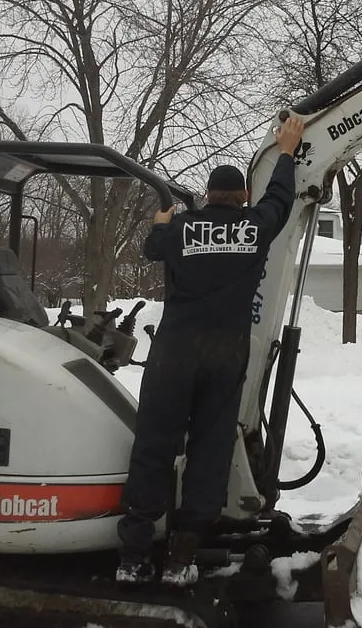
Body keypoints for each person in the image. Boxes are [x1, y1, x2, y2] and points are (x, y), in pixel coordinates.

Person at [116, 114, 306, 586]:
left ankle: (134, 557)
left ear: (206, 194)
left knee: (154, 447)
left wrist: (162, 221)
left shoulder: (180, 230)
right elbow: (281, 199)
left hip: (175, 351)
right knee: (209, 452)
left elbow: (151, 246)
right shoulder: (255, 226)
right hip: (224, 355)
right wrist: (287, 151)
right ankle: (182, 556)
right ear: (243, 197)